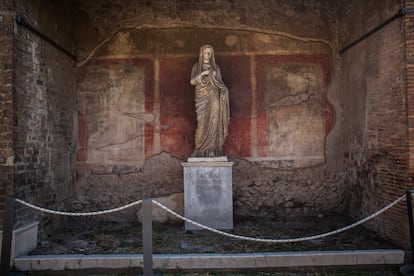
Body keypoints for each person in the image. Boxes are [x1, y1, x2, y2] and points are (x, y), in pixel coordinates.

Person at [190, 45, 230, 157]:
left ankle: (211, 149)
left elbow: (221, 84)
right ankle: (199, 149)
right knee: (202, 123)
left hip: (214, 96)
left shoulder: (216, 68)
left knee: (214, 121)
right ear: (201, 54)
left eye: (209, 53)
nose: (207, 55)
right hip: (201, 97)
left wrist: (224, 91)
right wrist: (203, 74)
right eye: (205, 52)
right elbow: (192, 81)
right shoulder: (196, 67)